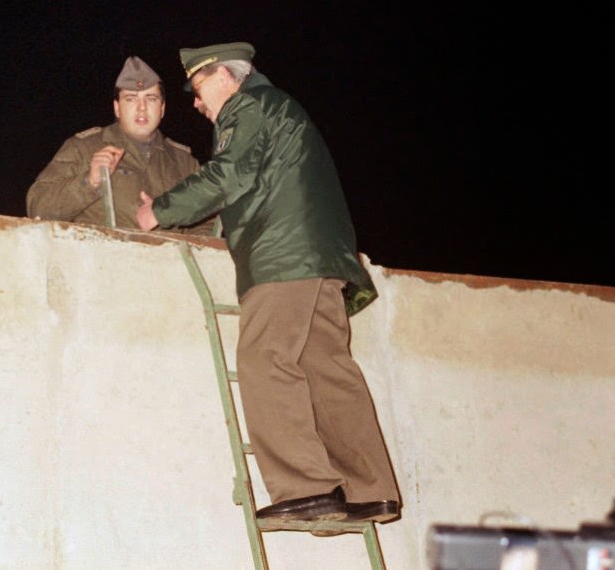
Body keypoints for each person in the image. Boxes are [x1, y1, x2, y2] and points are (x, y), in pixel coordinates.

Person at [136, 42, 401, 530]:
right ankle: (372, 491)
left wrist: (160, 210)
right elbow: (262, 184)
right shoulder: (280, 109)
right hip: (322, 259)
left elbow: (230, 174)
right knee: (326, 369)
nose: (197, 103)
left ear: (224, 78)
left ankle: (306, 489)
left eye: (198, 89)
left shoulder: (251, 105)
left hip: (282, 257)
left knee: (264, 358)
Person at [27, 56, 214, 234]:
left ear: (162, 108)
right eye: (131, 98)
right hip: (100, 262)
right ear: (117, 107)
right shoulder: (83, 148)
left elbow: (206, 224)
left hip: (164, 263)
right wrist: (90, 182)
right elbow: (38, 207)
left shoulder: (184, 162)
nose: (142, 108)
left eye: (151, 98)